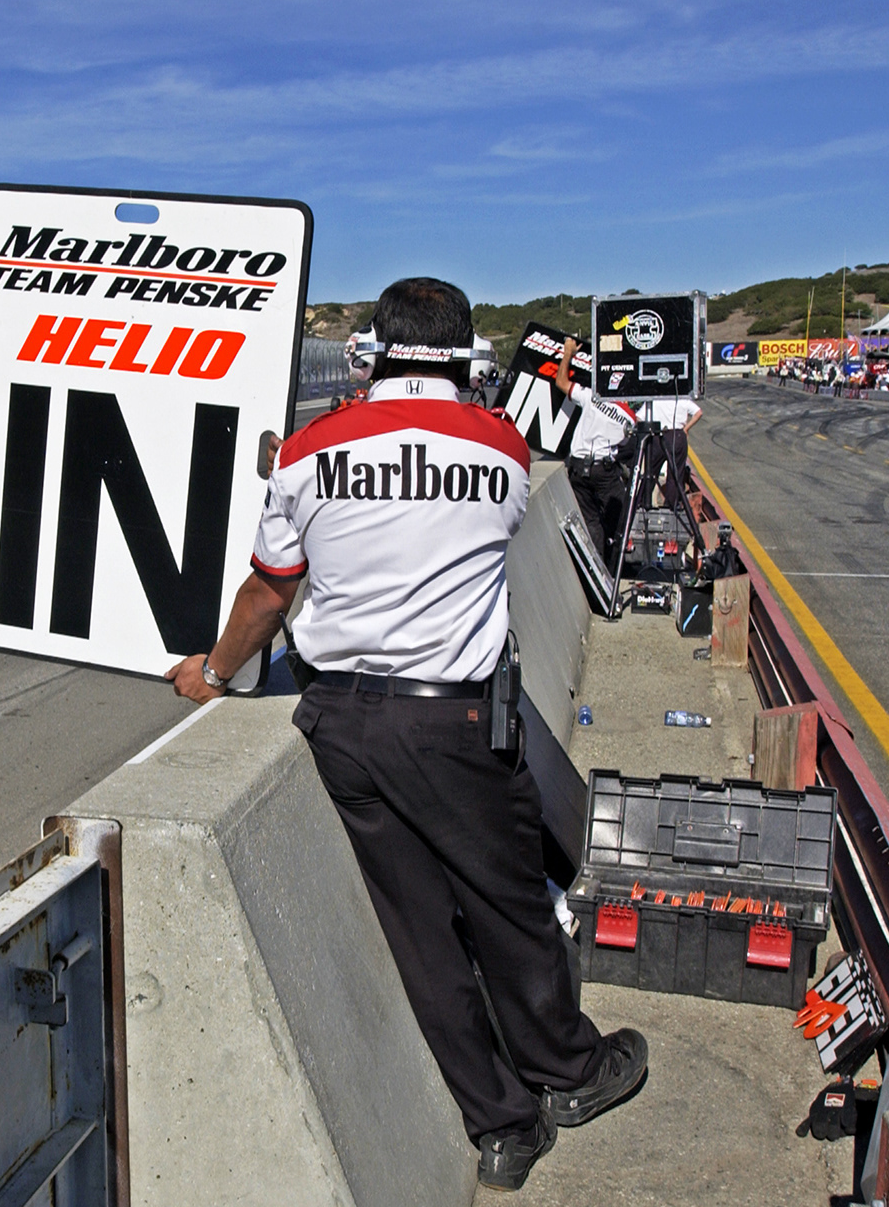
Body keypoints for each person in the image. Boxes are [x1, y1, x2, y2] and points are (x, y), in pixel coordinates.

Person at [169, 277, 646, 1192]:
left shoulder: (309, 450)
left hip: (340, 723)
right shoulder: (502, 445)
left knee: (421, 935)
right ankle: (569, 1074)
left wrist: (213, 673)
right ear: (463, 349)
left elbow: (269, 593)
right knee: (508, 912)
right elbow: (563, 454)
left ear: (376, 346)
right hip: (456, 719)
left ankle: (503, 1131)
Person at [553, 338, 634, 566]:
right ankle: (614, 564)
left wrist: (568, 352)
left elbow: (561, 381)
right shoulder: (630, 418)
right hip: (604, 470)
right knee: (622, 516)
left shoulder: (591, 396)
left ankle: (595, 567)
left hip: (578, 468)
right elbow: (627, 449)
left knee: (590, 521)